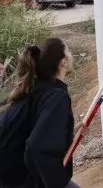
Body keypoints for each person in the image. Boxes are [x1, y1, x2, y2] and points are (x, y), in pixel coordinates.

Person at [0, 38, 80, 188]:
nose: (71, 54)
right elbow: (37, 147)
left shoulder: (31, 89)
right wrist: (55, 182)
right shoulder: (56, 96)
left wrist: (68, 132)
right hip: (21, 179)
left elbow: (31, 129)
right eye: (68, 51)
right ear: (62, 62)